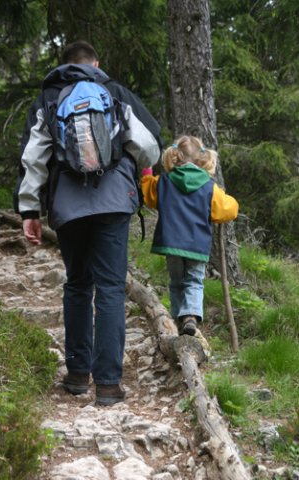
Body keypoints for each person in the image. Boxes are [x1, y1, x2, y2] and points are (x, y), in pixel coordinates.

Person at [14, 41, 163, 405]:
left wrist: (29, 212)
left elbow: (32, 160)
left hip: (68, 207)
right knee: (111, 288)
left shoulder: (49, 98)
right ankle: (109, 385)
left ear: (64, 66)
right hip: (114, 203)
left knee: (78, 284)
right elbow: (149, 144)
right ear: (96, 62)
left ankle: (78, 376)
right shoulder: (114, 91)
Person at [141, 135, 238, 336]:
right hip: (197, 245)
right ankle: (191, 317)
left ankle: (178, 319)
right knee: (194, 281)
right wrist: (228, 198)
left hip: (171, 243)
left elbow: (148, 193)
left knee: (176, 281)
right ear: (202, 158)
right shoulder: (210, 187)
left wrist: (146, 171)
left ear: (174, 156)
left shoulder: (163, 182)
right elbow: (228, 210)